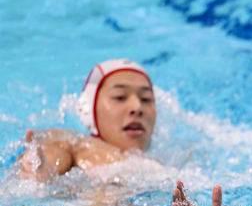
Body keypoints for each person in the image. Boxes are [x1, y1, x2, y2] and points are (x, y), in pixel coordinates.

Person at [17, 59, 156, 181]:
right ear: (90, 109)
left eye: (146, 99)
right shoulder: (74, 144)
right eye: (119, 97)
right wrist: (40, 170)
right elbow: (50, 155)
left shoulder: (160, 163)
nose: (137, 107)